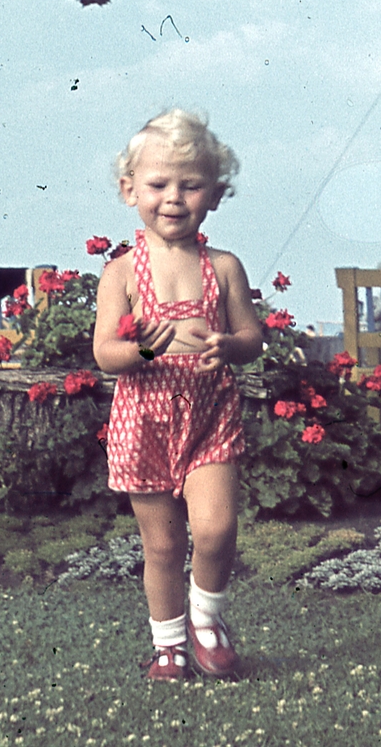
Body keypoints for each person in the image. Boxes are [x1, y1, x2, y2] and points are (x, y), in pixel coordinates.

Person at [92, 110, 264, 680]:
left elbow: (251, 338)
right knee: (162, 547)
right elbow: (104, 354)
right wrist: (139, 349)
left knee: (215, 528)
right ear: (129, 189)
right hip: (144, 420)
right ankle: (168, 646)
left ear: (214, 194)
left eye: (190, 185)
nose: (173, 198)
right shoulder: (121, 273)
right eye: (158, 184)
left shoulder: (223, 267)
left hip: (209, 414)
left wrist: (229, 346)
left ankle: (206, 619)